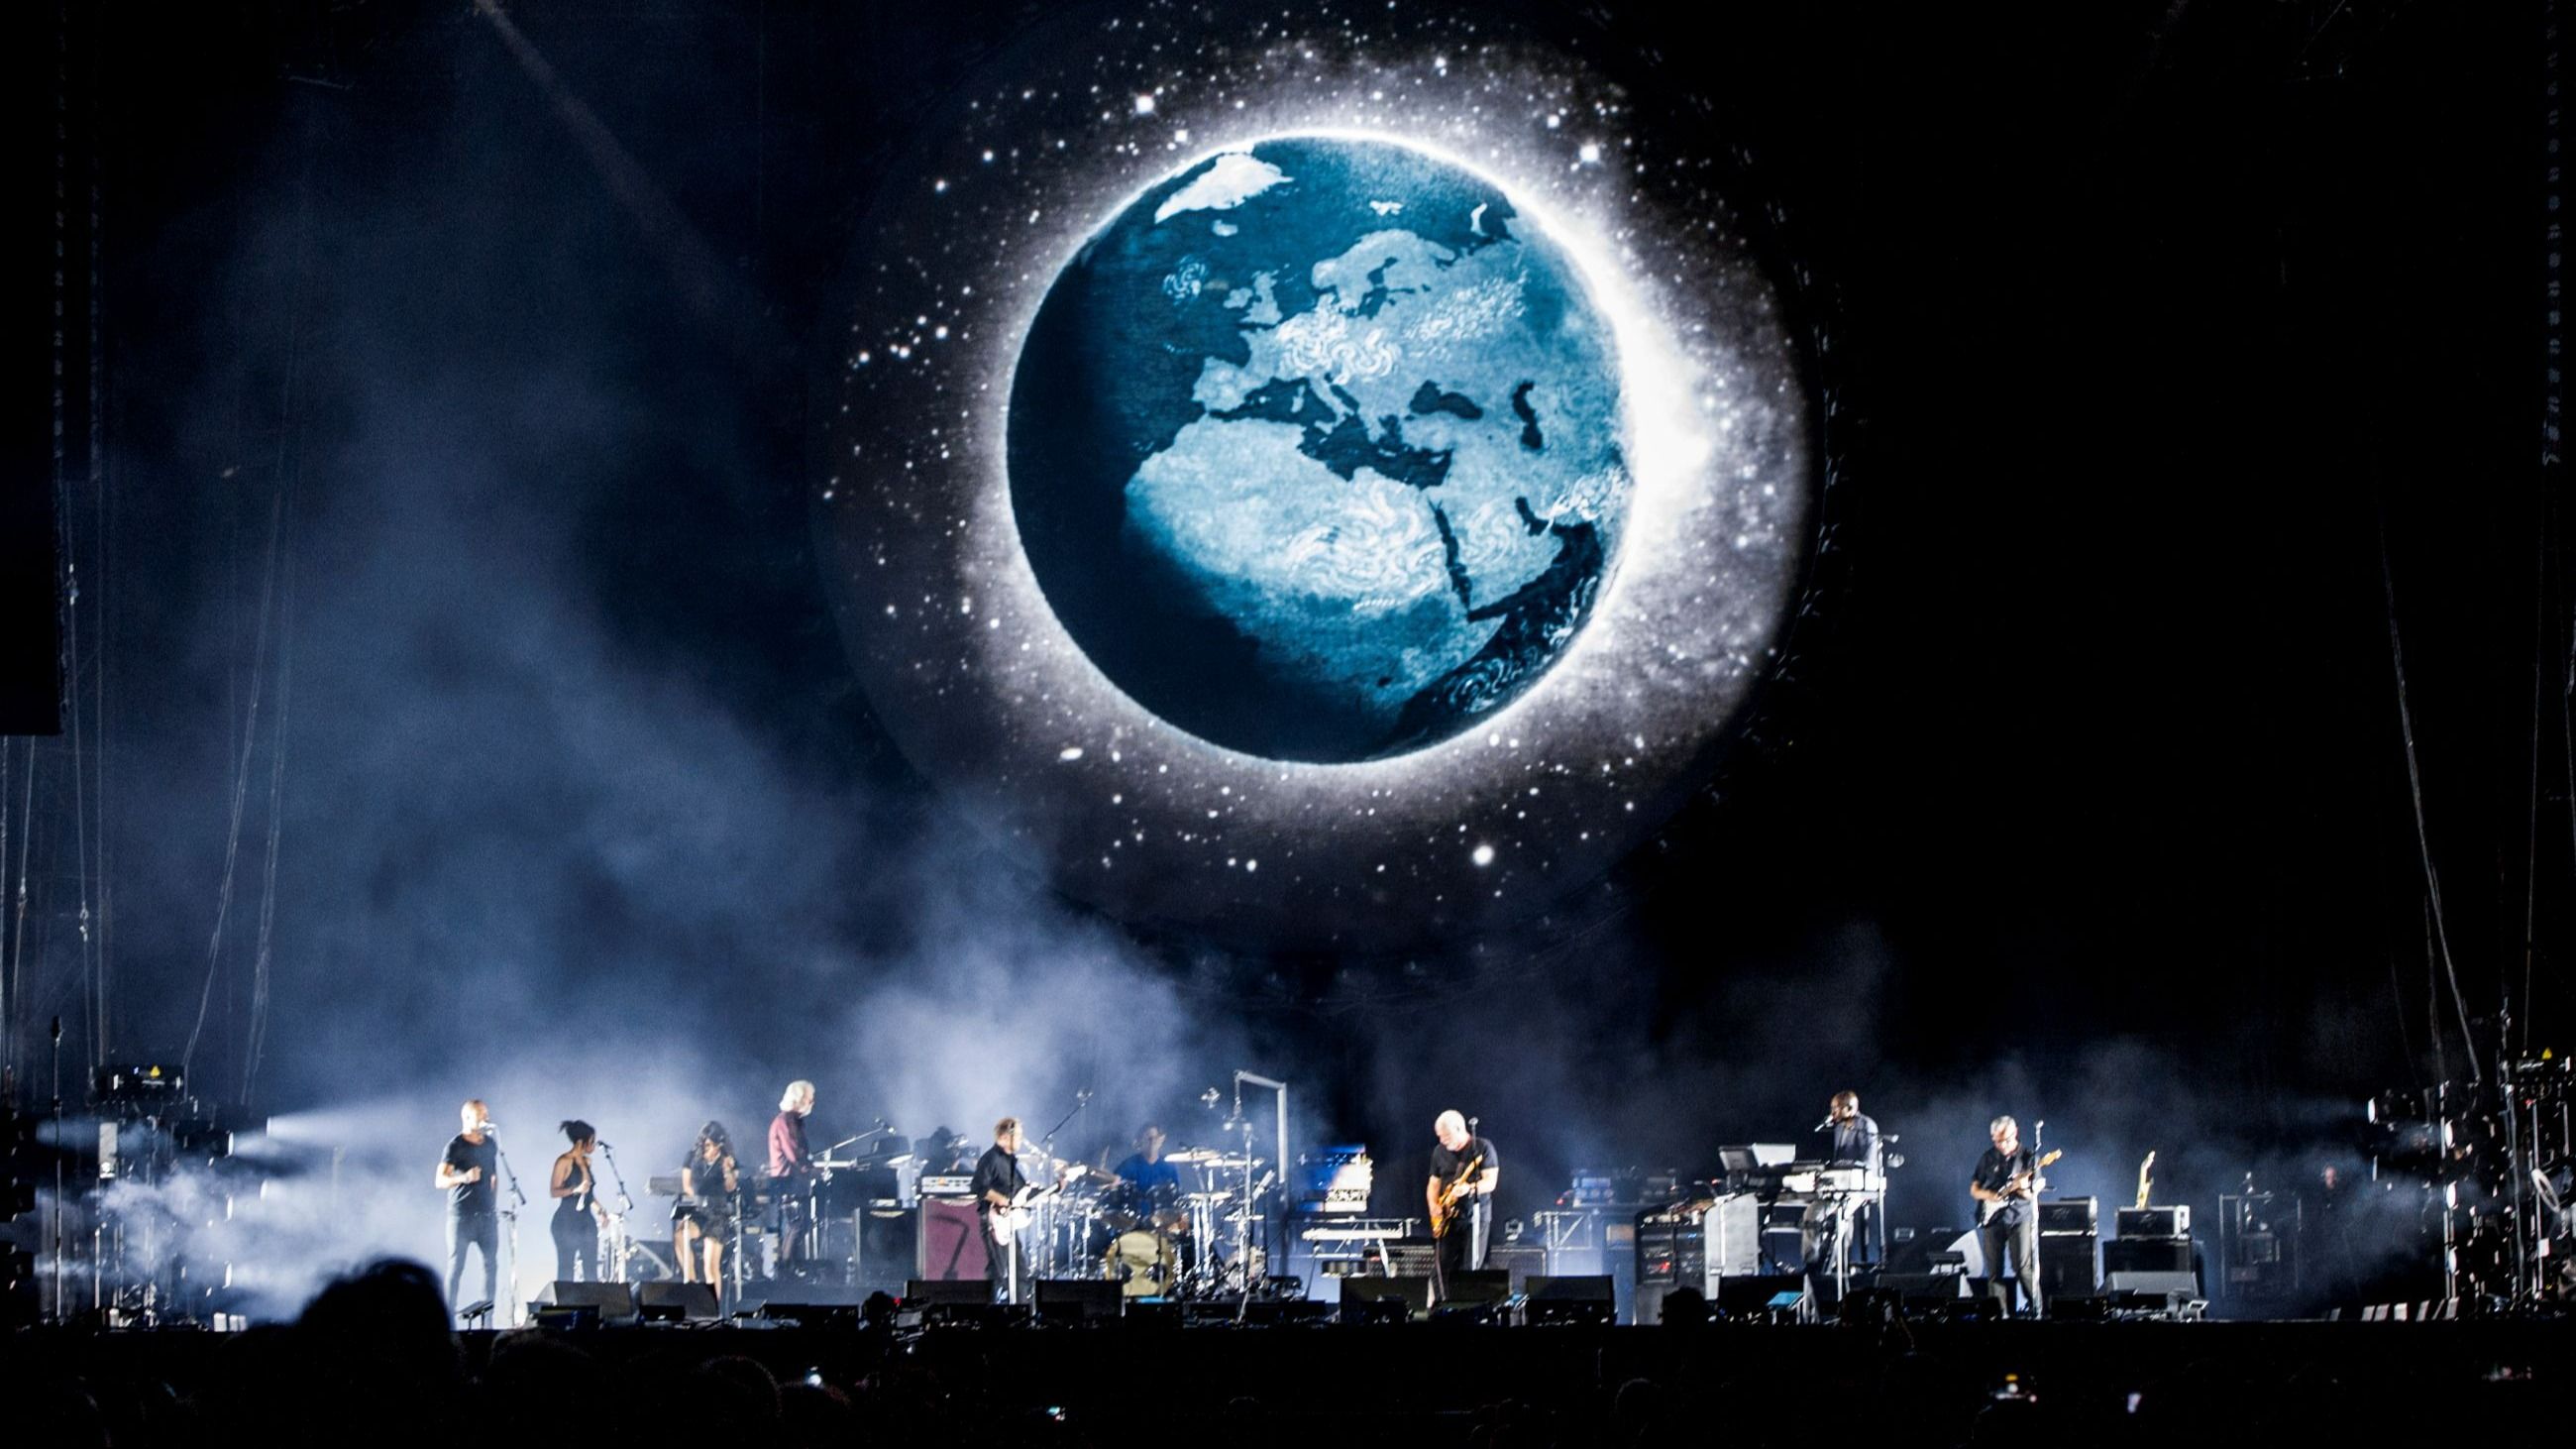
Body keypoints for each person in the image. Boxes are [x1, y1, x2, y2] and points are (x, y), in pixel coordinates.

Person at [1801, 1090, 1882, 1285]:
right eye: (1832, 1109)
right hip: (1839, 1186)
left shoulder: (1866, 1126)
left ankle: (1841, 1263)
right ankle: (1812, 1263)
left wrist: (1850, 1173)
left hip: (1861, 1186)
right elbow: (1838, 1161)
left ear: (1850, 1108)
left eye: (1836, 1108)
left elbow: (1868, 1163)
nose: (1833, 1112)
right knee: (1812, 1212)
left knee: (1843, 1215)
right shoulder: (1838, 1128)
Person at [1970, 1114, 2044, 1317]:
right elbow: (1975, 1189)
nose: (2001, 1145)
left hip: (2019, 1217)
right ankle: (1998, 1314)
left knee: (2022, 1267)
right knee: (1994, 1271)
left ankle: (2037, 1309)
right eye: (1997, 1140)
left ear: (2015, 1133)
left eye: (2006, 1140)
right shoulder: (1988, 1157)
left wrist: (2021, 1188)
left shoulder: (2029, 1158)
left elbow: (2031, 1194)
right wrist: (1990, 1196)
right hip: (1992, 1219)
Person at [433, 1099, 500, 1319]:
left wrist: (493, 1202)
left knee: (491, 1266)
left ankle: (487, 1319)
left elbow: (493, 1176)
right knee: (456, 1267)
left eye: (486, 1114)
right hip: (461, 1216)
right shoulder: (455, 1145)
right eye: (481, 1115)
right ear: (467, 1118)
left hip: (487, 1216)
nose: (485, 1119)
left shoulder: (490, 1144)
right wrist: (464, 1177)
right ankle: (448, 1319)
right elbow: (439, 1180)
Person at [1427, 1109, 1499, 1297]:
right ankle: (1442, 1309)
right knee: (1439, 1271)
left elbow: (1490, 1183)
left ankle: (1468, 1310)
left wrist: (1470, 1188)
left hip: (1475, 1218)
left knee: (1470, 1268)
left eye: (1446, 1136)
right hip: (1448, 1219)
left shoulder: (1482, 1147)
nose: (1442, 1141)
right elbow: (1433, 1184)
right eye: (1439, 1137)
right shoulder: (1439, 1152)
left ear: (1459, 1128)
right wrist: (1433, 1206)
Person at [674, 1121, 741, 1293]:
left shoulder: (728, 1161)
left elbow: (731, 1187)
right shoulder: (691, 1157)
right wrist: (697, 1199)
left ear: (719, 1145)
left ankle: (714, 1309)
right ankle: (691, 1282)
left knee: (710, 1266)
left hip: (718, 1213)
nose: (707, 1149)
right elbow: (686, 1184)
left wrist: (727, 1169)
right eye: (705, 1145)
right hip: (698, 1210)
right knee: (681, 1235)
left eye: (711, 1145)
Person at [973, 1117, 1033, 1302]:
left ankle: (1022, 1310)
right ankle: (990, 1311)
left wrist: (1057, 1186)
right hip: (993, 1222)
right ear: (1005, 1137)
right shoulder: (990, 1159)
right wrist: (1001, 1200)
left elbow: (1023, 1191)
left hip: (1009, 1225)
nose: (1022, 1140)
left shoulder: (1012, 1162)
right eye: (1019, 1136)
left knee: (1020, 1271)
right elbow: (978, 1186)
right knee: (997, 1271)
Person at [768, 1080, 817, 1268]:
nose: (812, 1102)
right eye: (809, 1099)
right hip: (788, 1181)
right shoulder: (786, 1121)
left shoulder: (791, 1120)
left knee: (798, 1225)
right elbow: (794, 1152)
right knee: (796, 1225)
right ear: (798, 1099)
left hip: (791, 1181)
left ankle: (790, 1268)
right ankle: (786, 1271)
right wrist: (810, 1168)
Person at [548, 1119, 603, 1282]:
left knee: (591, 1270)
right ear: (581, 1142)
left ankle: (591, 1304)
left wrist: (601, 1211)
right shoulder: (564, 1161)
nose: (593, 1145)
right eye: (591, 1141)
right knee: (566, 1270)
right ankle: (566, 1304)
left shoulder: (587, 1162)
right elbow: (554, 1191)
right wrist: (575, 1190)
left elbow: (589, 1194)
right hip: (566, 1221)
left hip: (586, 1221)